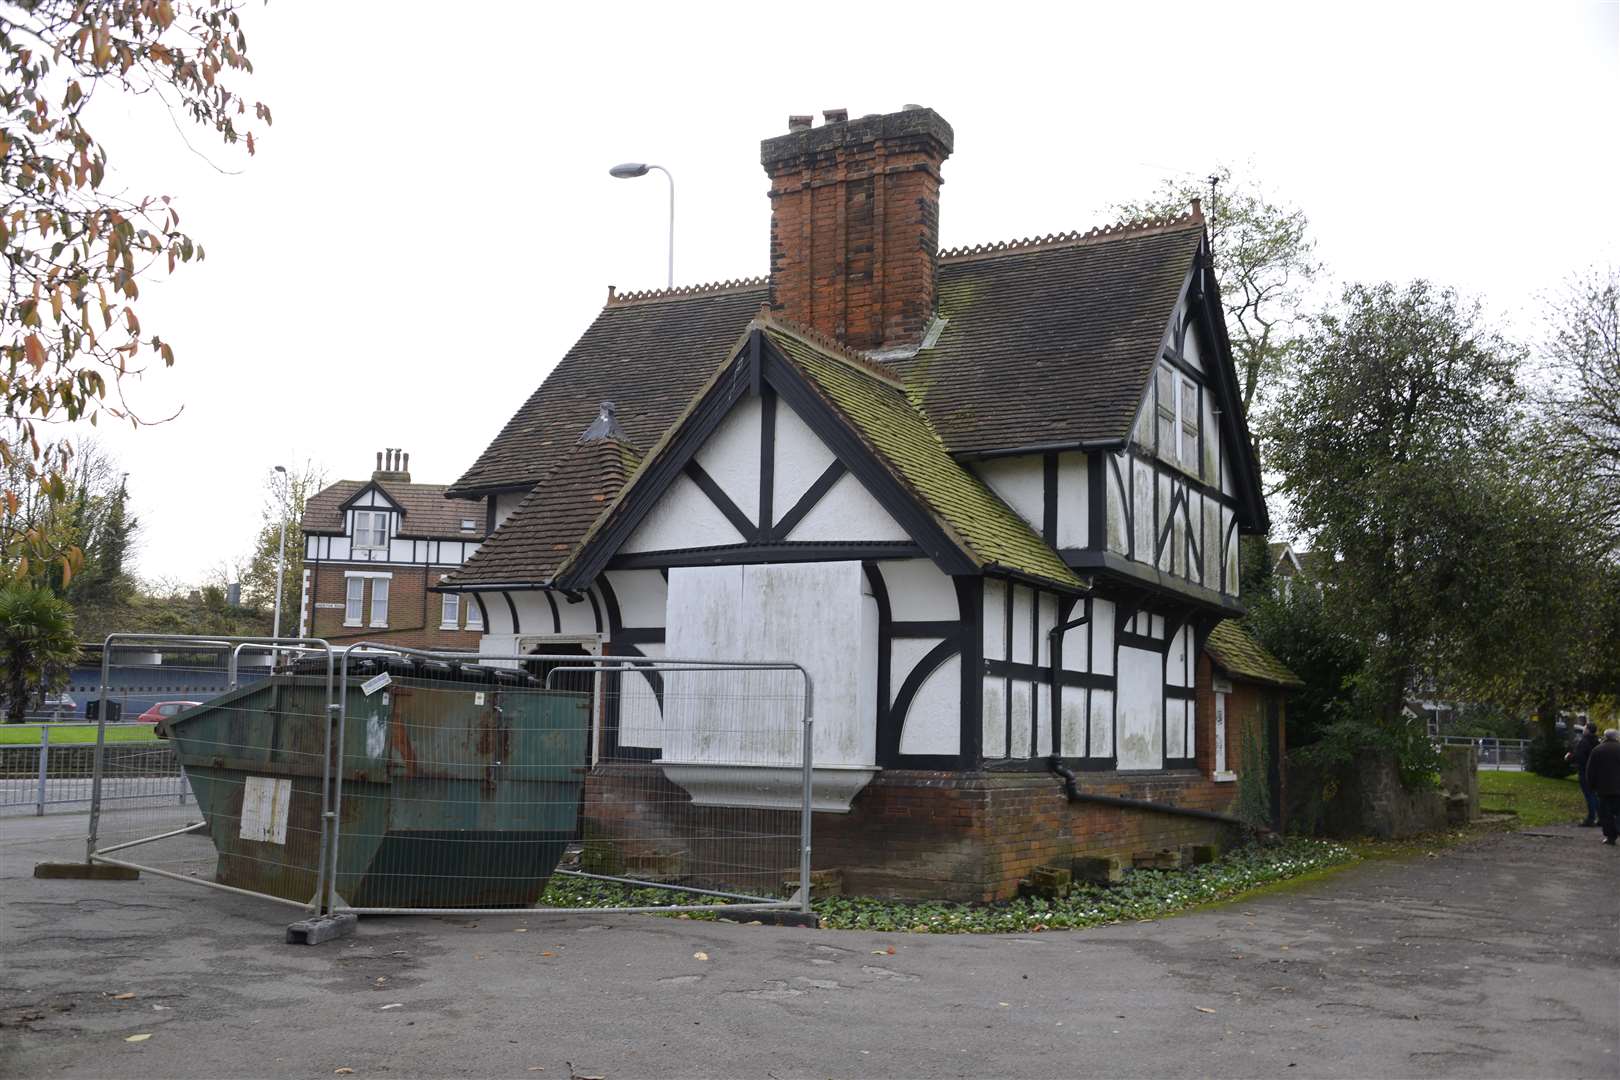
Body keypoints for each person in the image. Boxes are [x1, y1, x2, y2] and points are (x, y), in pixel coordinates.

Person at [1584, 729, 1620, 846]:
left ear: (1605, 736)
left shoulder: (1597, 750)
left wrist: (1591, 785)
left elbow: (1590, 770)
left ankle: (1610, 837)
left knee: (1606, 814)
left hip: (1603, 788)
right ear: (1616, 737)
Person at [1567, 724, 1601, 826]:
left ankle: (1591, 818)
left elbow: (1579, 757)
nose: (1583, 729)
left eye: (1585, 728)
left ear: (1588, 730)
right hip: (1595, 771)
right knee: (1594, 795)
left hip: (1585, 771)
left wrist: (1569, 758)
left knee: (1589, 795)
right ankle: (1601, 817)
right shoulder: (1596, 742)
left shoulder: (1583, 742)